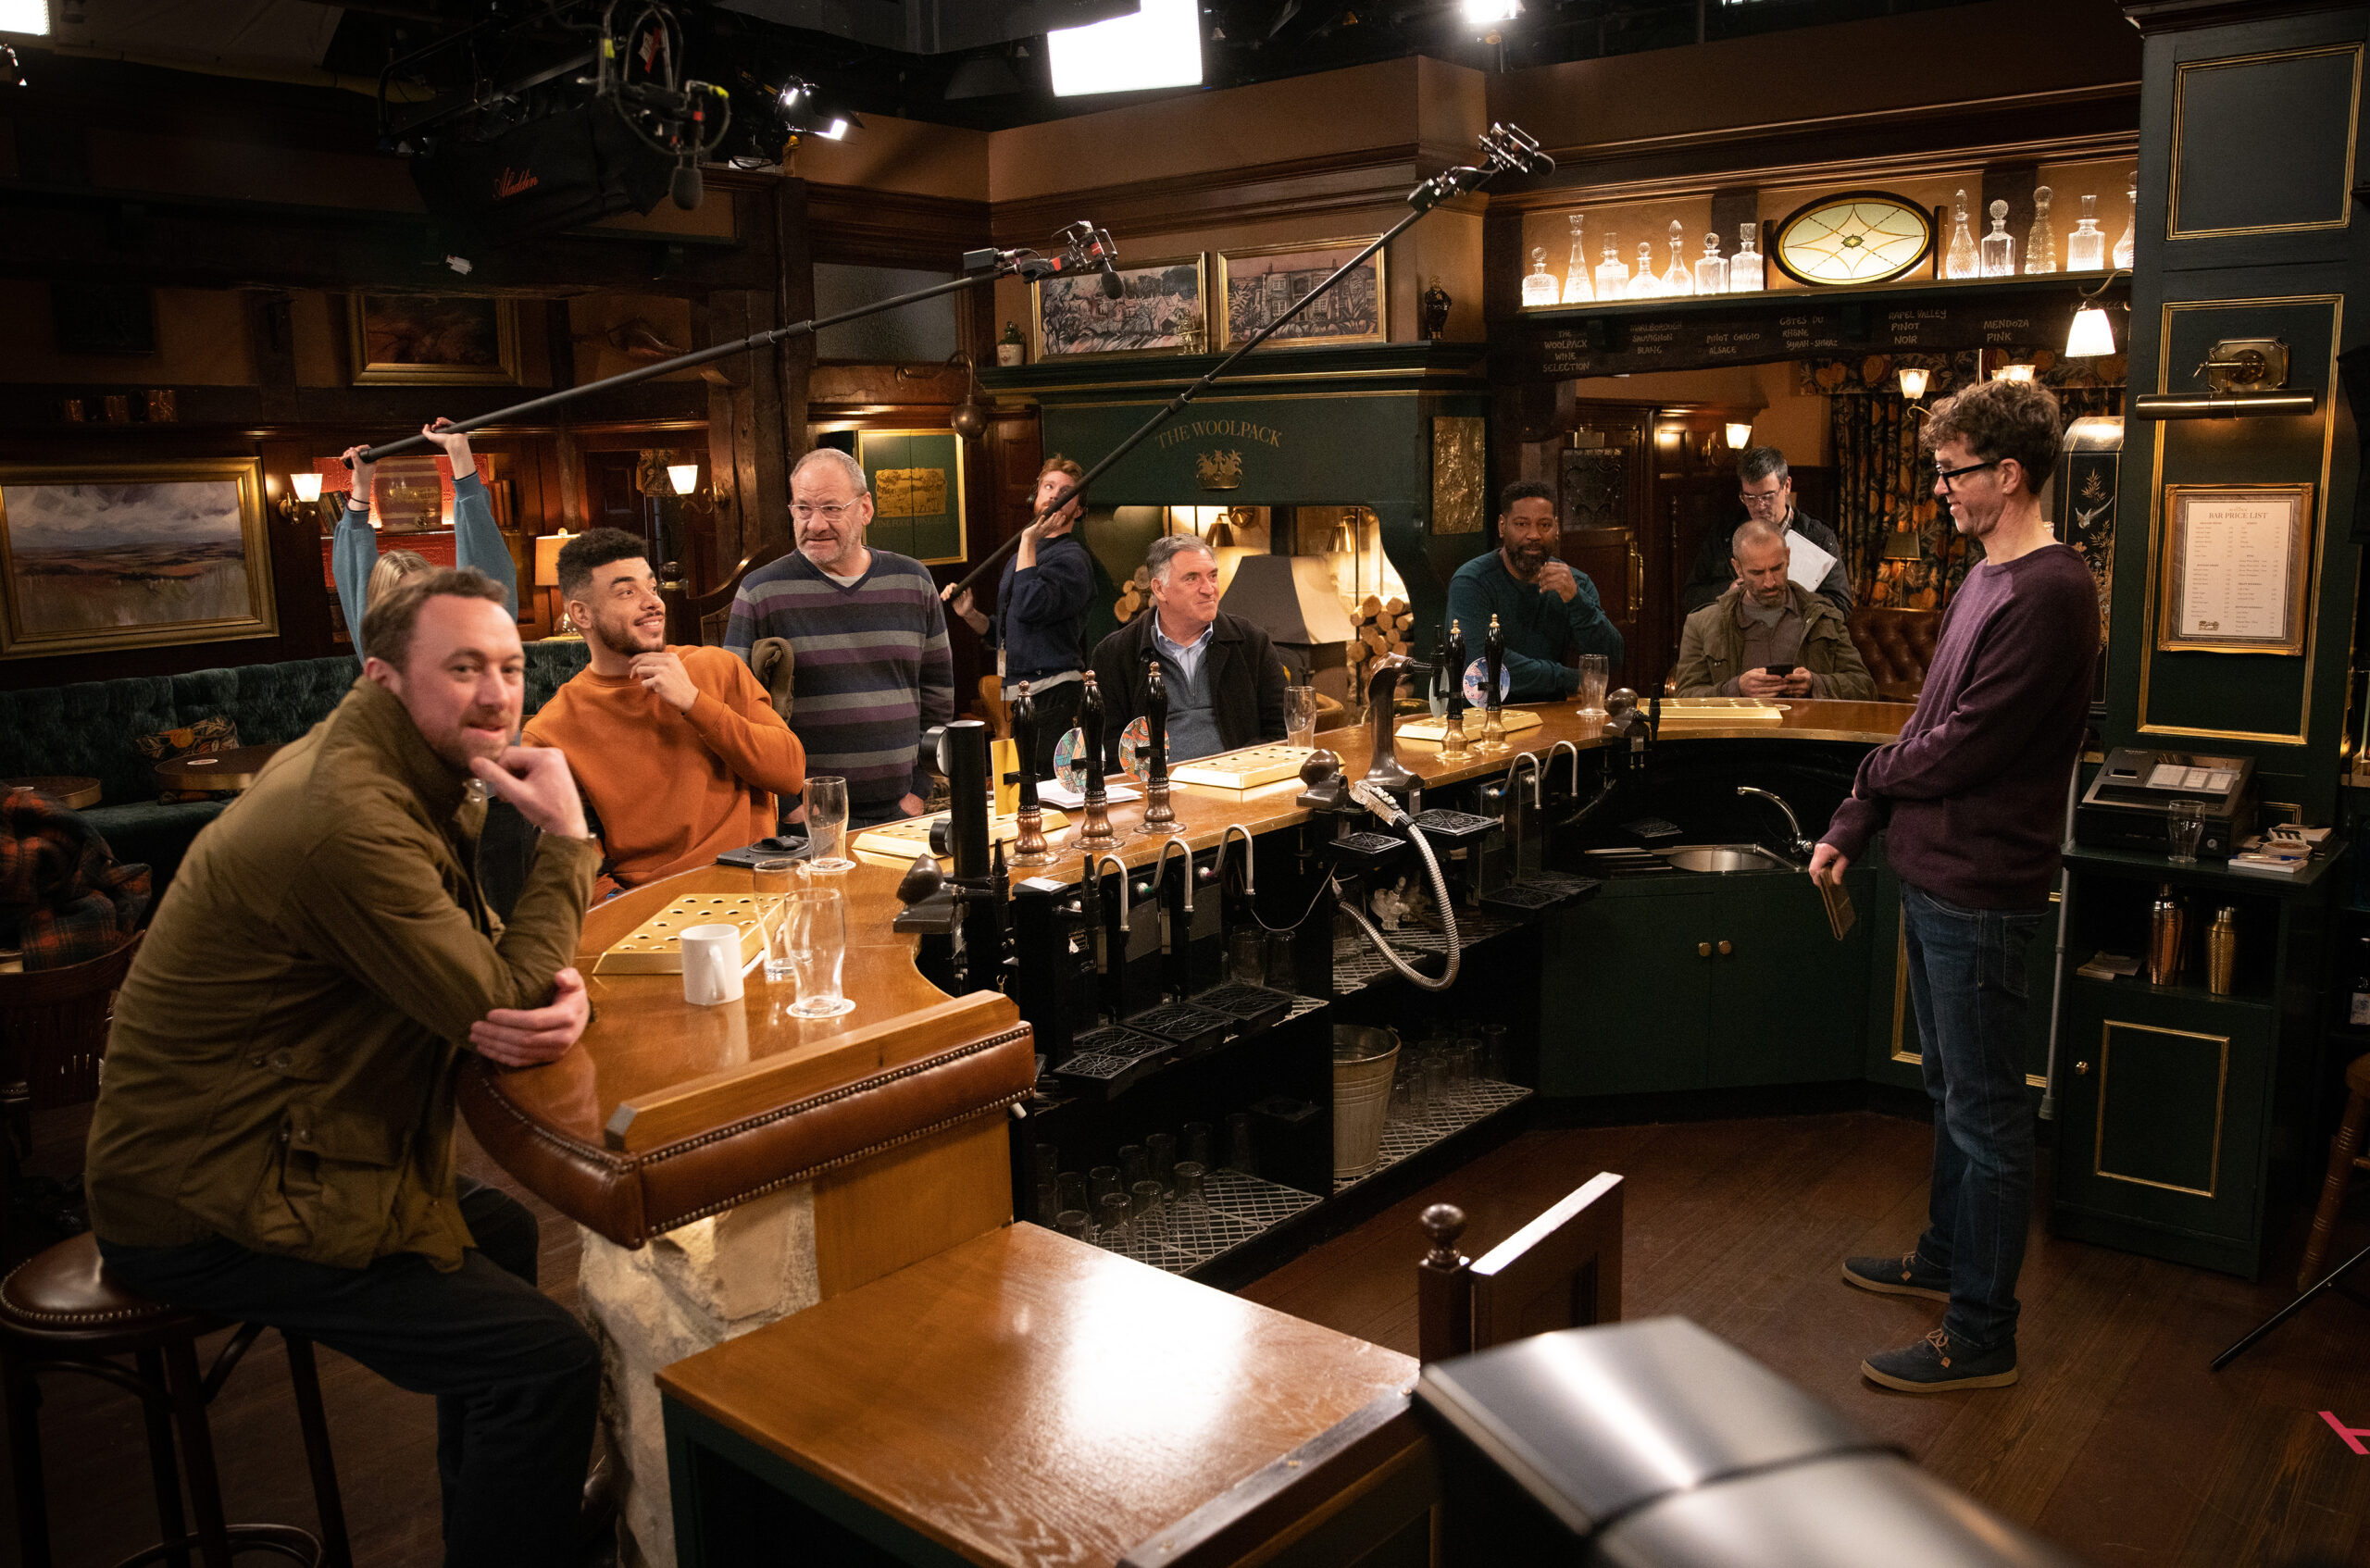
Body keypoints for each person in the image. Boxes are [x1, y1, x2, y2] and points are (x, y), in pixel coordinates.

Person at [84, 568, 605, 1567]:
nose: (497, 694)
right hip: (201, 1194)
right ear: (382, 676)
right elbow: (494, 998)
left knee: (498, 1232)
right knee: (543, 1362)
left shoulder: (411, 770)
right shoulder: (346, 815)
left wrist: (551, 989)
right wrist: (567, 840)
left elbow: (488, 967)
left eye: (509, 667)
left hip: (290, 1139)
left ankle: (495, 1526)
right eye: (463, 668)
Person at [1809, 380, 2094, 1394]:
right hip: (1934, 874)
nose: (1938, 489)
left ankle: (1980, 1332)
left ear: (2007, 474)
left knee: (1987, 1116)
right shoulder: (1985, 577)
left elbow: (1964, 745)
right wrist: (1858, 817)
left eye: (1950, 472)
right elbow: (1926, 721)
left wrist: (1866, 785)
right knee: (1950, 1092)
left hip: (1980, 887)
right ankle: (1944, 1256)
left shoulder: (2051, 592)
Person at [525, 528, 805, 888]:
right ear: (581, 614)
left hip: (752, 885)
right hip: (646, 901)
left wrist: (694, 703)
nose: (653, 602)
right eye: (627, 592)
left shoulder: (715, 667)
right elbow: (575, 865)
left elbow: (789, 774)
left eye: (652, 588)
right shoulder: (550, 732)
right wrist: (624, 907)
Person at [723, 447, 954, 828]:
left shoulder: (913, 580)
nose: (815, 524)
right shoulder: (761, 591)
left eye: (831, 508)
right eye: (803, 508)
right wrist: (788, 805)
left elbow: (938, 696)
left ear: (865, 508)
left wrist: (920, 789)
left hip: (901, 812)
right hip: (806, 821)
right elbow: (735, 710)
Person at [945, 455, 1095, 778]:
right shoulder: (1020, 558)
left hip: (1055, 696)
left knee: (1050, 792)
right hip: (1022, 696)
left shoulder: (1073, 559)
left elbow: (1029, 605)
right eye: (1048, 487)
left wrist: (1028, 539)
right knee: (1024, 792)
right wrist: (970, 615)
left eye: (1065, 492)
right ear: (1034, 497)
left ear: (1079, 510)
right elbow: (1008, 630)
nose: (1054, 495)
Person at [1089, 533, 1286, 767]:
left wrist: (1236, 769)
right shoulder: (1114, 654)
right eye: (1192, 578)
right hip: (1157, 784)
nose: (1209, 589)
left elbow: (1281, 730)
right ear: (1159, 589)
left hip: (1239, 778)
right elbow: (1105, 746)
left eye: (1213, 576)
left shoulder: (1251, 642)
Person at [333, 420, 518, 660]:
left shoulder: (462, 644)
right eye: (403, 604)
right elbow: (352, 571)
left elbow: (487, 579)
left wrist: (459, 451)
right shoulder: (378, 652)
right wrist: (361, 484)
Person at [1443, 479, 1624, 703]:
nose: (1534, 535)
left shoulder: (1575, 583)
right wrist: (1568, 679)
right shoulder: (1472, 581)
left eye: (1544, 525)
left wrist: (1576, 600)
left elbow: (1610, 660)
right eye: (1521, 524)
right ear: (1502, 526)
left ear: (1556, 528)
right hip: (1485, 711)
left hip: (1551, 711)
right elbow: (1482, 663)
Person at [1671, 522, 1876, 700]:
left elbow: (1864, 687)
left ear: (1788, 557)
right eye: (1757, 572)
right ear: (1738, 568)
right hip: (1738, 732)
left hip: (1806, 729)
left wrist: (1816, 684)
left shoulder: (1823, 616)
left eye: (1777, 568)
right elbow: (1685, 697)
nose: (1769, 582)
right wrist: (1736, 689)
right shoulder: (1702, 624)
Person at [1680, 446, 1853, 616]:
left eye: (1767, 496)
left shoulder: (1819, 538)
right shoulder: (1724, 533)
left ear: (1787, 486)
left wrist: (1793, 602)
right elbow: (1691, 595)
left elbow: (1841, 604)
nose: (1759, 506)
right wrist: (1729, 592)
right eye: (1749, 497)